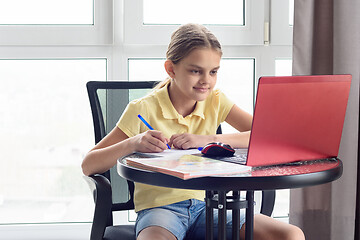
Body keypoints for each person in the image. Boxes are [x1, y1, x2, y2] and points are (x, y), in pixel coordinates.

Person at [82, 23, 305, 240]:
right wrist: (132, 143)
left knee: (290, 234)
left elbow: (269, 136)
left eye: (213, 72)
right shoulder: (142, 108)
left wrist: (207, 139)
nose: (206, 81)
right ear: (171, 69)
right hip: (159, 212)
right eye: (195, 71)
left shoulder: (215, 100)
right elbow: (89, 164)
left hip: (210, 207)